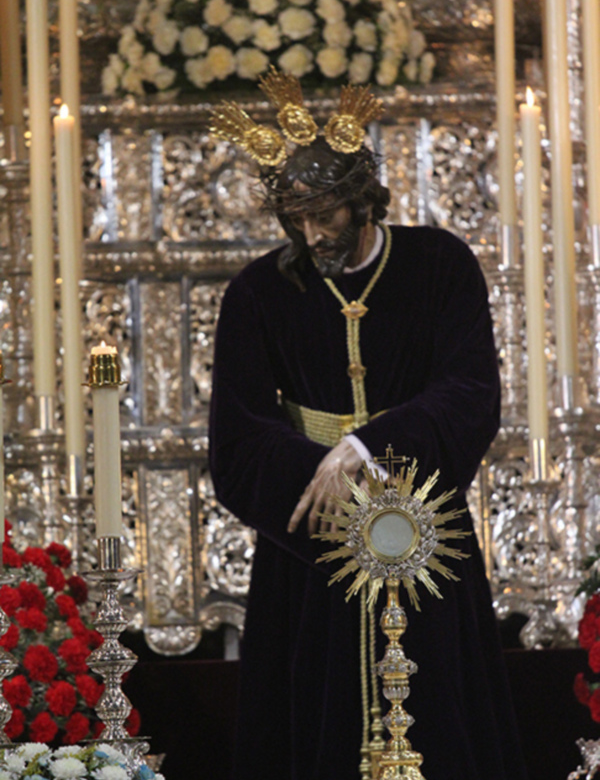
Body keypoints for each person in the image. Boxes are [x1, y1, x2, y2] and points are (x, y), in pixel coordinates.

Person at [209, 71, 528, 780]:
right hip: (314, 548)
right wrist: (321, 481)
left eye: (326, 215)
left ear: (364, 201)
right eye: (296, 218)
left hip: (426, 533)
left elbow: (471, 390)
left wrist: (365, 449)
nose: (312, 233)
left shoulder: (440, 264)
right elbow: (238, 434)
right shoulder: (258, 293)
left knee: (441, 714)